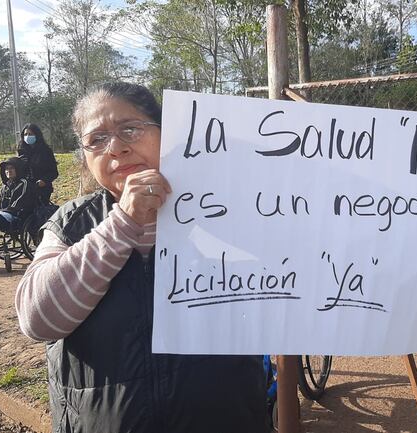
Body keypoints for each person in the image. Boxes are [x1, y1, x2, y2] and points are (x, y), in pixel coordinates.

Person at [15, 82, 267, 433]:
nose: (116, 148)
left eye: (130, 129)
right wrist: (124, 222)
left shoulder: (229, 208)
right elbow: (38, 320)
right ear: (85, 156)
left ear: (166, 134)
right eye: (97, 140)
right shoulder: (70, 223)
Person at [17, 123, 58, 205]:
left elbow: (54, 172)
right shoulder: (21, 151)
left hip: (42, 190)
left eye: (30, 134)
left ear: (36, 135)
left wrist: (44, 181)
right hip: (25, 189)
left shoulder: (46, 151)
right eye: (25, 134)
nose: (28, 136)